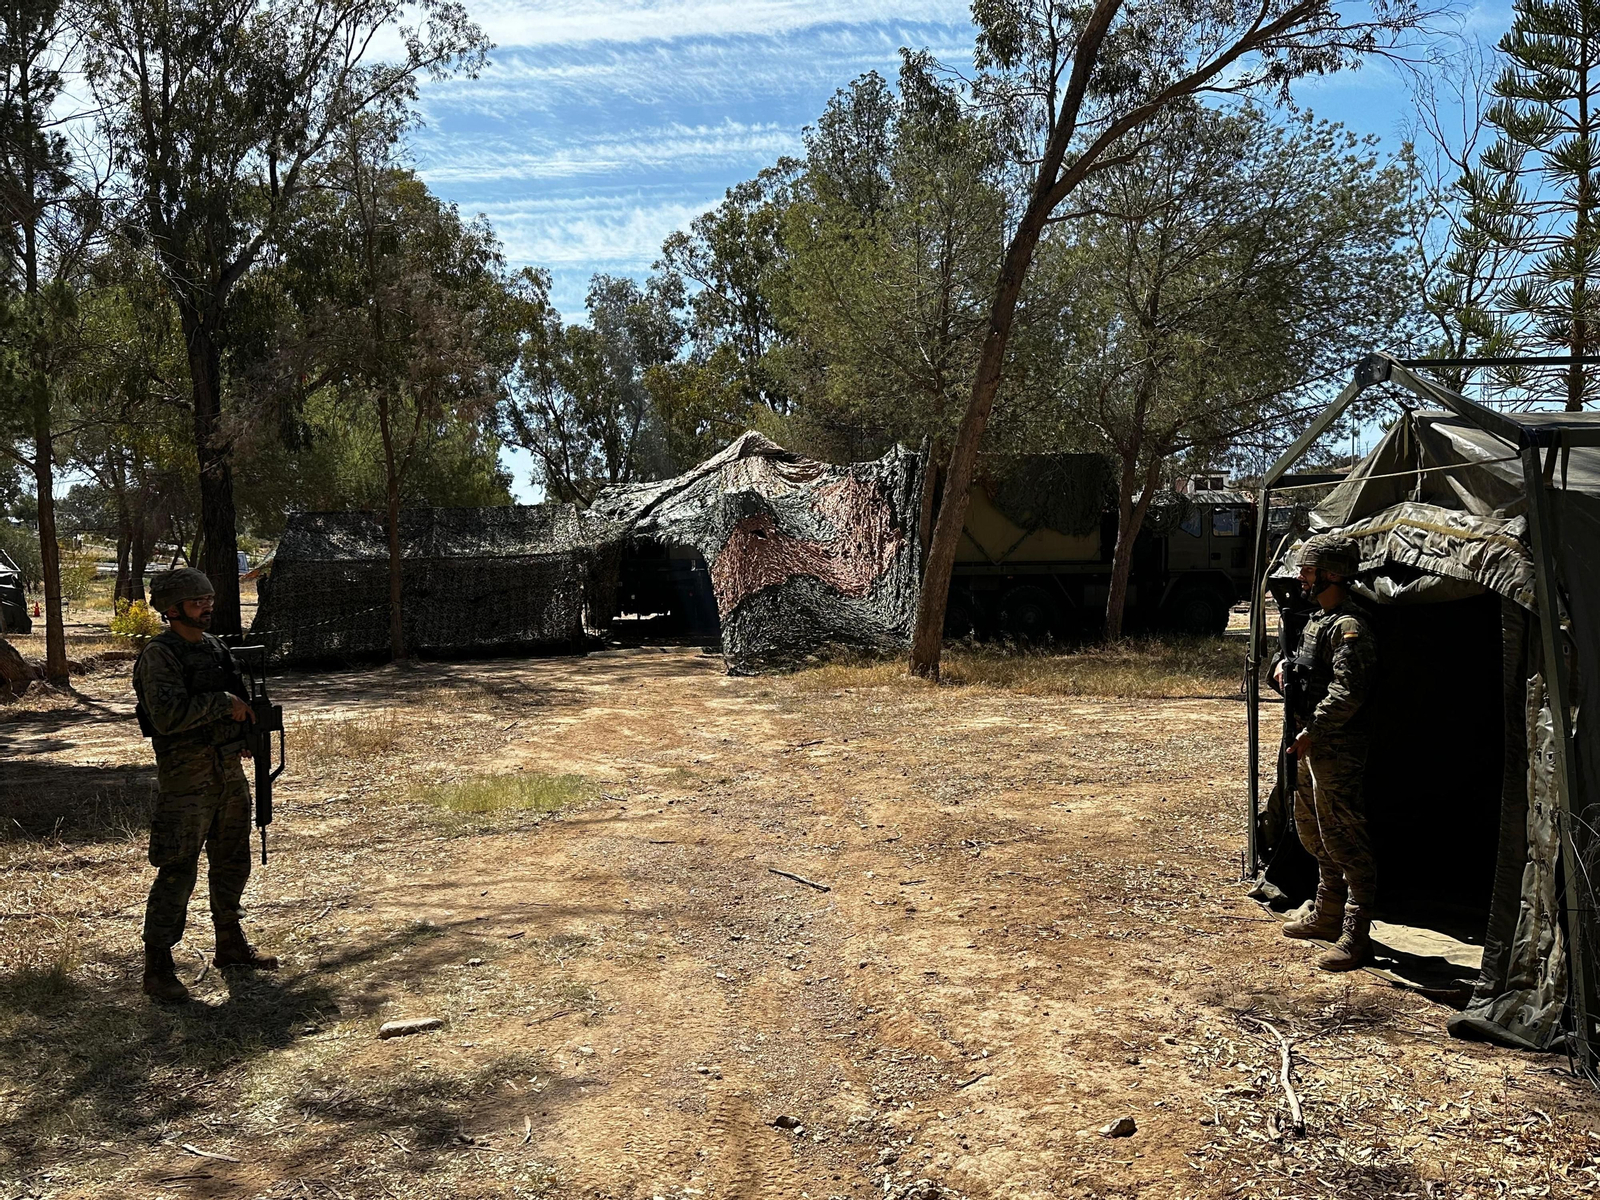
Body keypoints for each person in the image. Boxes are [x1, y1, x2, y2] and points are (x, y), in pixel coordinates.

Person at [134, 567, 278, 1003]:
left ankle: (230, 943)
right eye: (198, 602)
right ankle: (158, 967)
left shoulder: (214, 648)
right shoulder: (160, 656)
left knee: (232, 860)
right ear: (173, 609)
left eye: (209, 600)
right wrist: (222, 704)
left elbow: (238, 699)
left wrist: (244, 732)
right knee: (178, 868)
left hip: (228, 772)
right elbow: (166, 716)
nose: (207, 608)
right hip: (187, 779)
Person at [1272, 533, 1378, 972]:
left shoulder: (1350, 626)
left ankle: (1356, 934)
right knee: (1312, 830)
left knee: (1345, 837)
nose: (1301, 577)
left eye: (1308, 570)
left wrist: (1313, 730)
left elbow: (1348, 691)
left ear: (1331, 574)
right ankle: (1327, 912)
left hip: (1335, 747)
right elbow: (1301, 668)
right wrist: (1281, 669)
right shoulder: (1318, 620)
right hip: (1309, 743)